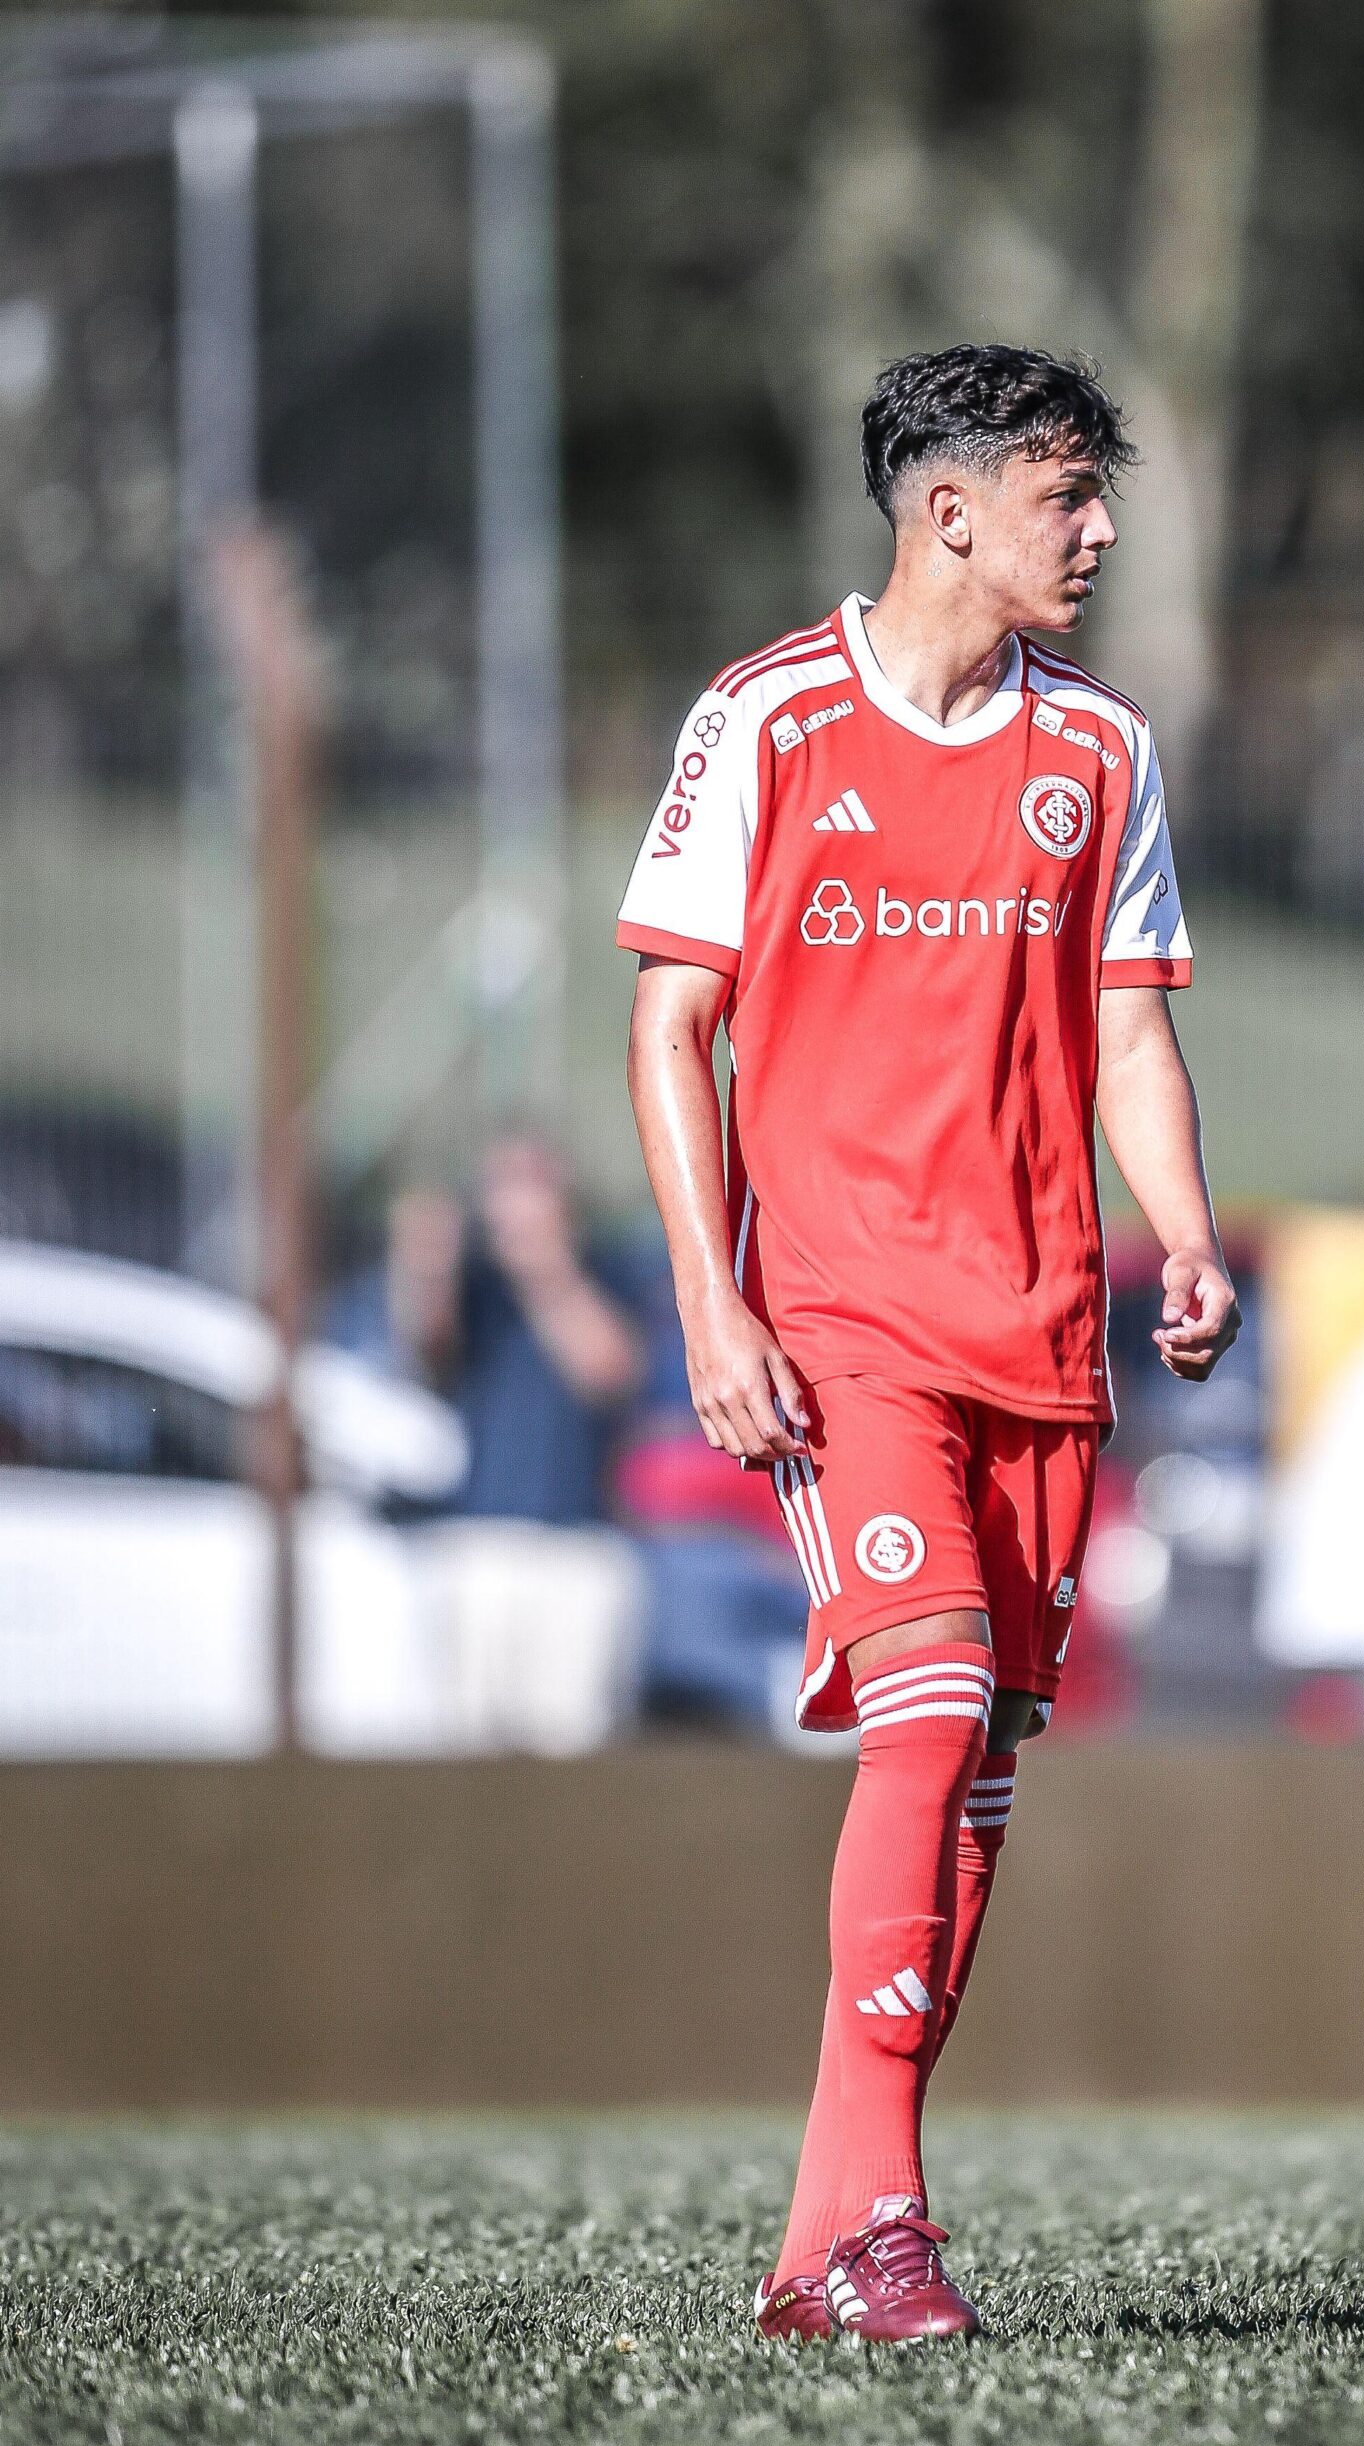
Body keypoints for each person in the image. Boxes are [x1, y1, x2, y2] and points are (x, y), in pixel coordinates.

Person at [620, 345, 1239, 2342]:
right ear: (947, 510)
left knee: (975, 1765)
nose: (1102, 527)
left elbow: (1133, 1022)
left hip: (1040, 1327)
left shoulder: (1104, 754)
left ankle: (824, 2236)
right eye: (1069, 492)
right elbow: (669, 1021)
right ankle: (887, 2223)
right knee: (929, 1691)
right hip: (835, 1316)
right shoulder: (767, 717)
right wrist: (711, 1299)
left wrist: (1188, 1241)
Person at [331, 1135, 647, 1750]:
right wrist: (424, 1262)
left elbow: (610, 1372)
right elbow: (428, 1350)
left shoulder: (607, 1272)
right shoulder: (479, 1288)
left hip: (578, 1550)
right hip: (479, 1549)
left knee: (571, 1757)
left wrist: (545, 1271)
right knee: (467, 1754)